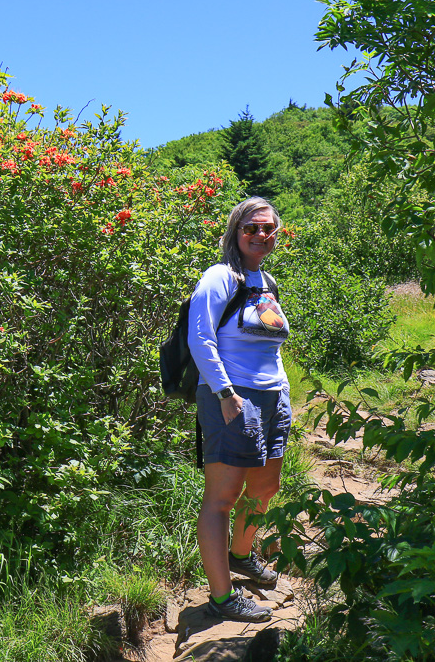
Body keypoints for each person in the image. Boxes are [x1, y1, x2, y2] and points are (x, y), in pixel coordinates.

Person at [186, 196, 290, 622]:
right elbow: (200, 338)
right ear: (235, 232)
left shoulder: (266, 281)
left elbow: (270, 345)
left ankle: (241, 555)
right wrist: (226, 393)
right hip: (232, 397)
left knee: (264, 488)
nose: (261, 236)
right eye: (252, 228)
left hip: (272, 396)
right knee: (221, 499)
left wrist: (282, 395)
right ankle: (222, 599)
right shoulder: (219, 277)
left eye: (268, 229)